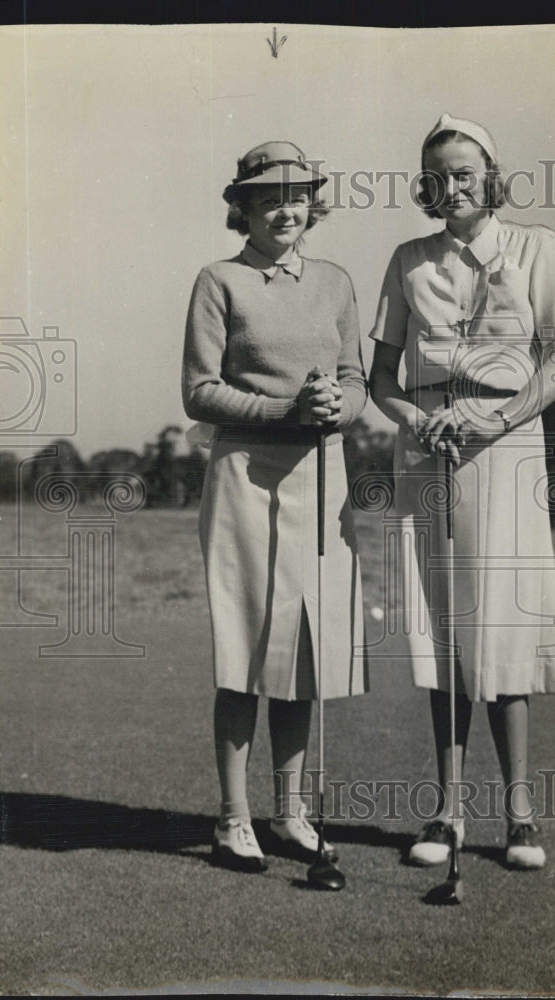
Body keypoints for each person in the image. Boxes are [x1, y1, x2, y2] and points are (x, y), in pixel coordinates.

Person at [368, 114, 555, 869]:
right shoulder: (407, 259)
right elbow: (380, 379)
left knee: (503, 624)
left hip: (508, 444)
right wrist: (416, 421)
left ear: (490, 176)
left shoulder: (537, 248)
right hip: (430, 449)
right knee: (444, 630)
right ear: (424, 186)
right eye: (437, 175)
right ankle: (445, 813)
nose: (452, 185)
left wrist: (495, 418)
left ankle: (520, 815)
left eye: (465, 171)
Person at [182, 140, 368, 872]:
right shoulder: (217, 280)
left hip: (321, 476)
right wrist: (285, 410)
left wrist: (334, 406)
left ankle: (288, 814)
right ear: (243, 209)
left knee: (305, 649)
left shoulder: (335, 280)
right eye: (266, 198)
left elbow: (355, 378)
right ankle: (233, 819)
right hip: (244, 474)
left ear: (311, 204)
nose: (283, 208)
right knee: (246, 648)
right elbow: (199, 391)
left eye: (295, 195)